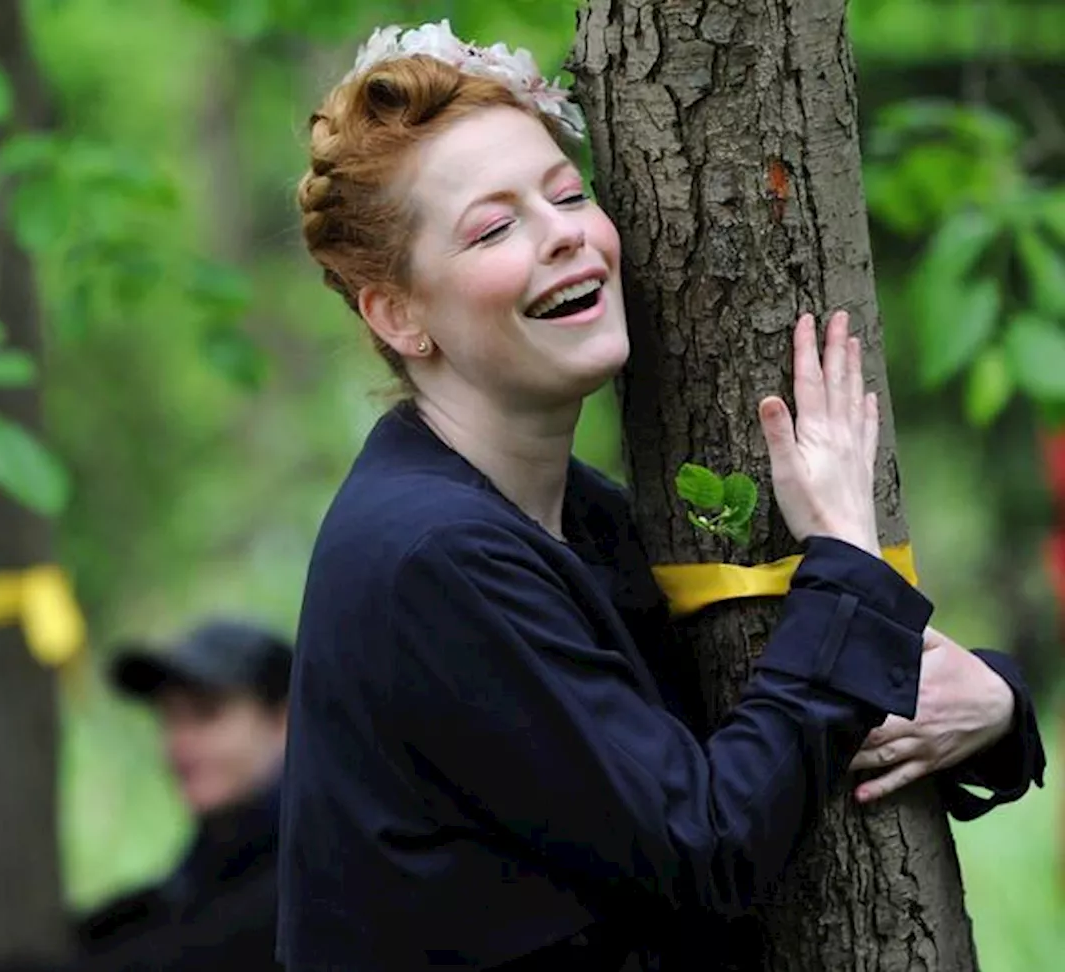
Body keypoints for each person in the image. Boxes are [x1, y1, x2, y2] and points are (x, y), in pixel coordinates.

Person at [278, 20, 1046, 971]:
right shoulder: (431, 558)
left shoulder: (581, 521)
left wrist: (996, 705)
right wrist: (843, 557)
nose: (564, 234)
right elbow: (710, 840)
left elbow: (757, 746)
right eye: (495, 226)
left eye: (567, 194)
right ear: (398, 313)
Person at [76, 619, 290, 972]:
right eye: (170, 718)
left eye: (206, 714)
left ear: (283, 721)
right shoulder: (204, 870)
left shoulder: (309, 887)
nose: (180, 744)